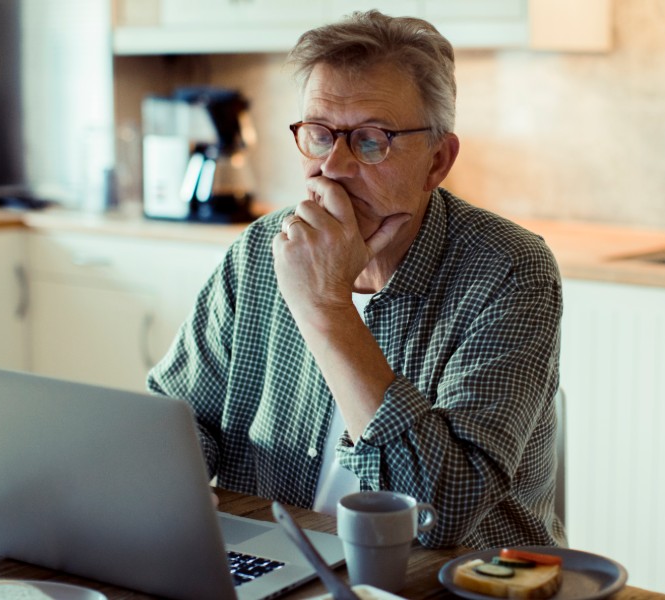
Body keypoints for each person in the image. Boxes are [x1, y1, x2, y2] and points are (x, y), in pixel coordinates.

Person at [148, 10, 564, 549]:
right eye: (320, 135)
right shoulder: (259, 251)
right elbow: (179, 419)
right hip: (283, 563)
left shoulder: (509, 270)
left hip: (447, 583)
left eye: (371, 140)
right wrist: (165, 481)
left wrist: (326, 308)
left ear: (437, 161)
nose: (334, 167)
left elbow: (439, 514)